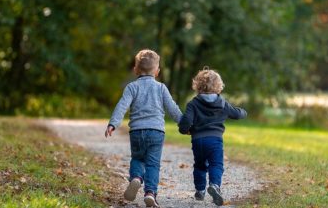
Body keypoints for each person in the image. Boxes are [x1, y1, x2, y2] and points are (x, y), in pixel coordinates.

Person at [105, 49, 182, 207]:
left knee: (138, 158)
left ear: (135, 70)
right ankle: (150, 193)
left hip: (137, 131)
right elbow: (172, 108)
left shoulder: (131, 87)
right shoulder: (161, 88)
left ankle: (136, 178)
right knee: (153, 164)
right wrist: (184, 124)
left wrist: (113, 123)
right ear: (157, 71)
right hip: (156, 132)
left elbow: (122, 106)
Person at [178, 67, 247, 206]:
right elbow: (237, 114)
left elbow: (185, 123)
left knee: (199, 165)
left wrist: (185, 130)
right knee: (216, 164)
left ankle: (200, 191)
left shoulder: (193, 103)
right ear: (219, 86)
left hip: (198, 141)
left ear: (197, 86)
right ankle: (215, 185)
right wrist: (244, 112)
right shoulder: (222, 103)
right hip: (215, 140)